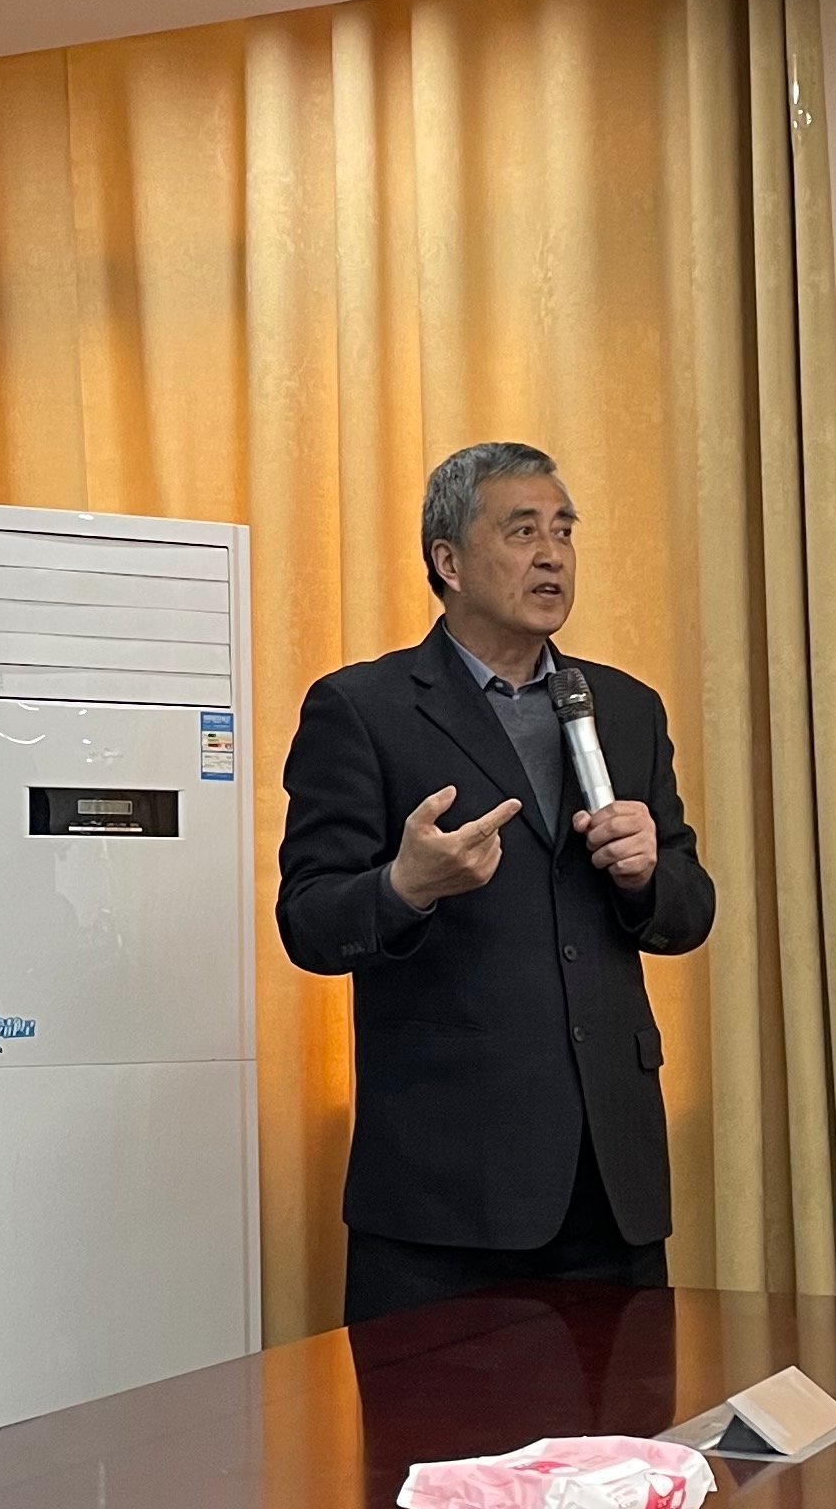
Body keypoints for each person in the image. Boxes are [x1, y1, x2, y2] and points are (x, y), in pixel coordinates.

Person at [277, 442, 717, 1326]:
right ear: (447, 561)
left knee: (622, 1418)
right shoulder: (363, 708)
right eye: (522, 532)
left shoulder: (625, 707)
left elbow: (687, 911)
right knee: (438, 1419)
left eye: (563, 531)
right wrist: (404, 886)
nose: (552, 555)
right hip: (447, 1191)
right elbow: (308, 921)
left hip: (611, 1182)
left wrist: (646, 876)